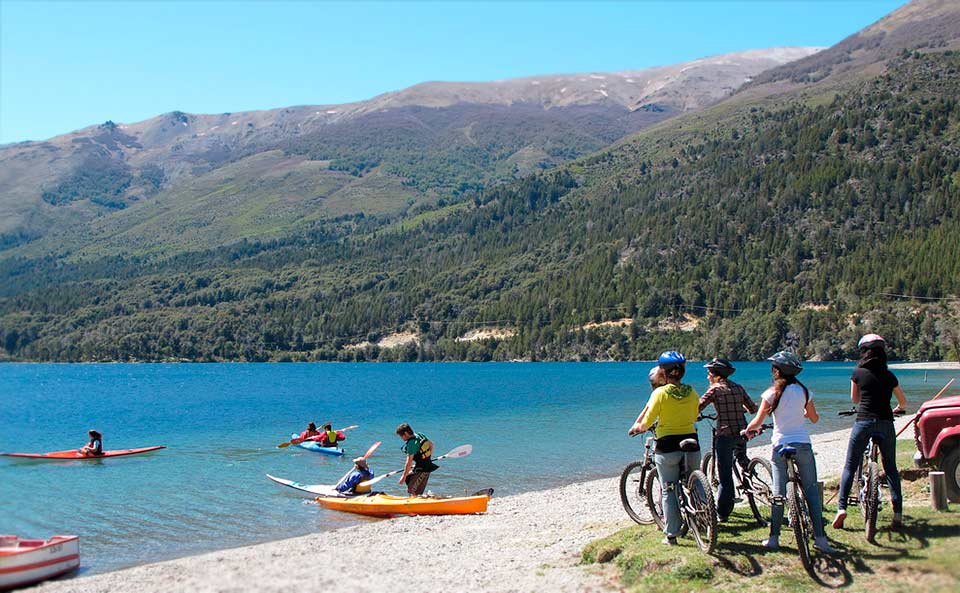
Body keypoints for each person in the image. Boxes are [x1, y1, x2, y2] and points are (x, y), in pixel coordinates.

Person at [744, 351, 835, 553]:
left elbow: (757, 422)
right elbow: (814, 419)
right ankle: (821, 540)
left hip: (780, 445)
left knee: (779, 493)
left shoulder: (770, 394)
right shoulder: (804, 392)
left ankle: (774, 539)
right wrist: (802, 413)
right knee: (811, 492)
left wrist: (747, 430)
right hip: (802, 444)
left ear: (777, 371)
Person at [832, 334, 908, 530]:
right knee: (890, 468)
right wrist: (897, 408)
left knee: (850, 465)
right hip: (885, 422)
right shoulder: (890, 376)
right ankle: (898, 513)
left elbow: (855, 399)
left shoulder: (858, 373)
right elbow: (903, 402)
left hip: (864, 421)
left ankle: (841, 508)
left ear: (863, 352)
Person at [633, 351, 700, 546]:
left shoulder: (660, 393)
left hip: (667, 446)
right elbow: (694, 415)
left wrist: (638, 427)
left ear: (663, 372)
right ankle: (706, 519)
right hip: (691, 442)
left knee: (668, 489)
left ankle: (671, 534)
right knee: (695, 483)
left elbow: (647, 421)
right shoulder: (692, 391)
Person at [699, 358, 758, 521]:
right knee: (741, 457)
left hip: (725, 434)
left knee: (725, 474)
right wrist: (740, 408)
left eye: (709, 374)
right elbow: (752, 408)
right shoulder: (738, 387)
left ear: (716, 375)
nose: (708, 377)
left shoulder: (714, 390)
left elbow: (698, 406)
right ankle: (749, 476)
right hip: (742, 432)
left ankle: (723, 512)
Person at [396, 423, 438, 496]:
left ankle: (417, 500)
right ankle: (421, 496)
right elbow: (431, 445)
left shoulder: (412, 443)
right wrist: (427, 458)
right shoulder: (420, 435)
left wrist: (403, 476)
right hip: (422, 465)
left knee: (412, 489)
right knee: (409, 478)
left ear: (406, 433)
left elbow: (409, 461)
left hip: (424, 469)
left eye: (401, 436)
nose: (401, 438)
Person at [627, 366, 667, 437]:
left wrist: (638, 425)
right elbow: (647, 408)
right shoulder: (679, 391)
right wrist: (637, 423)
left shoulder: (658, 393)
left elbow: (647, 411)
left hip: (666, 434)